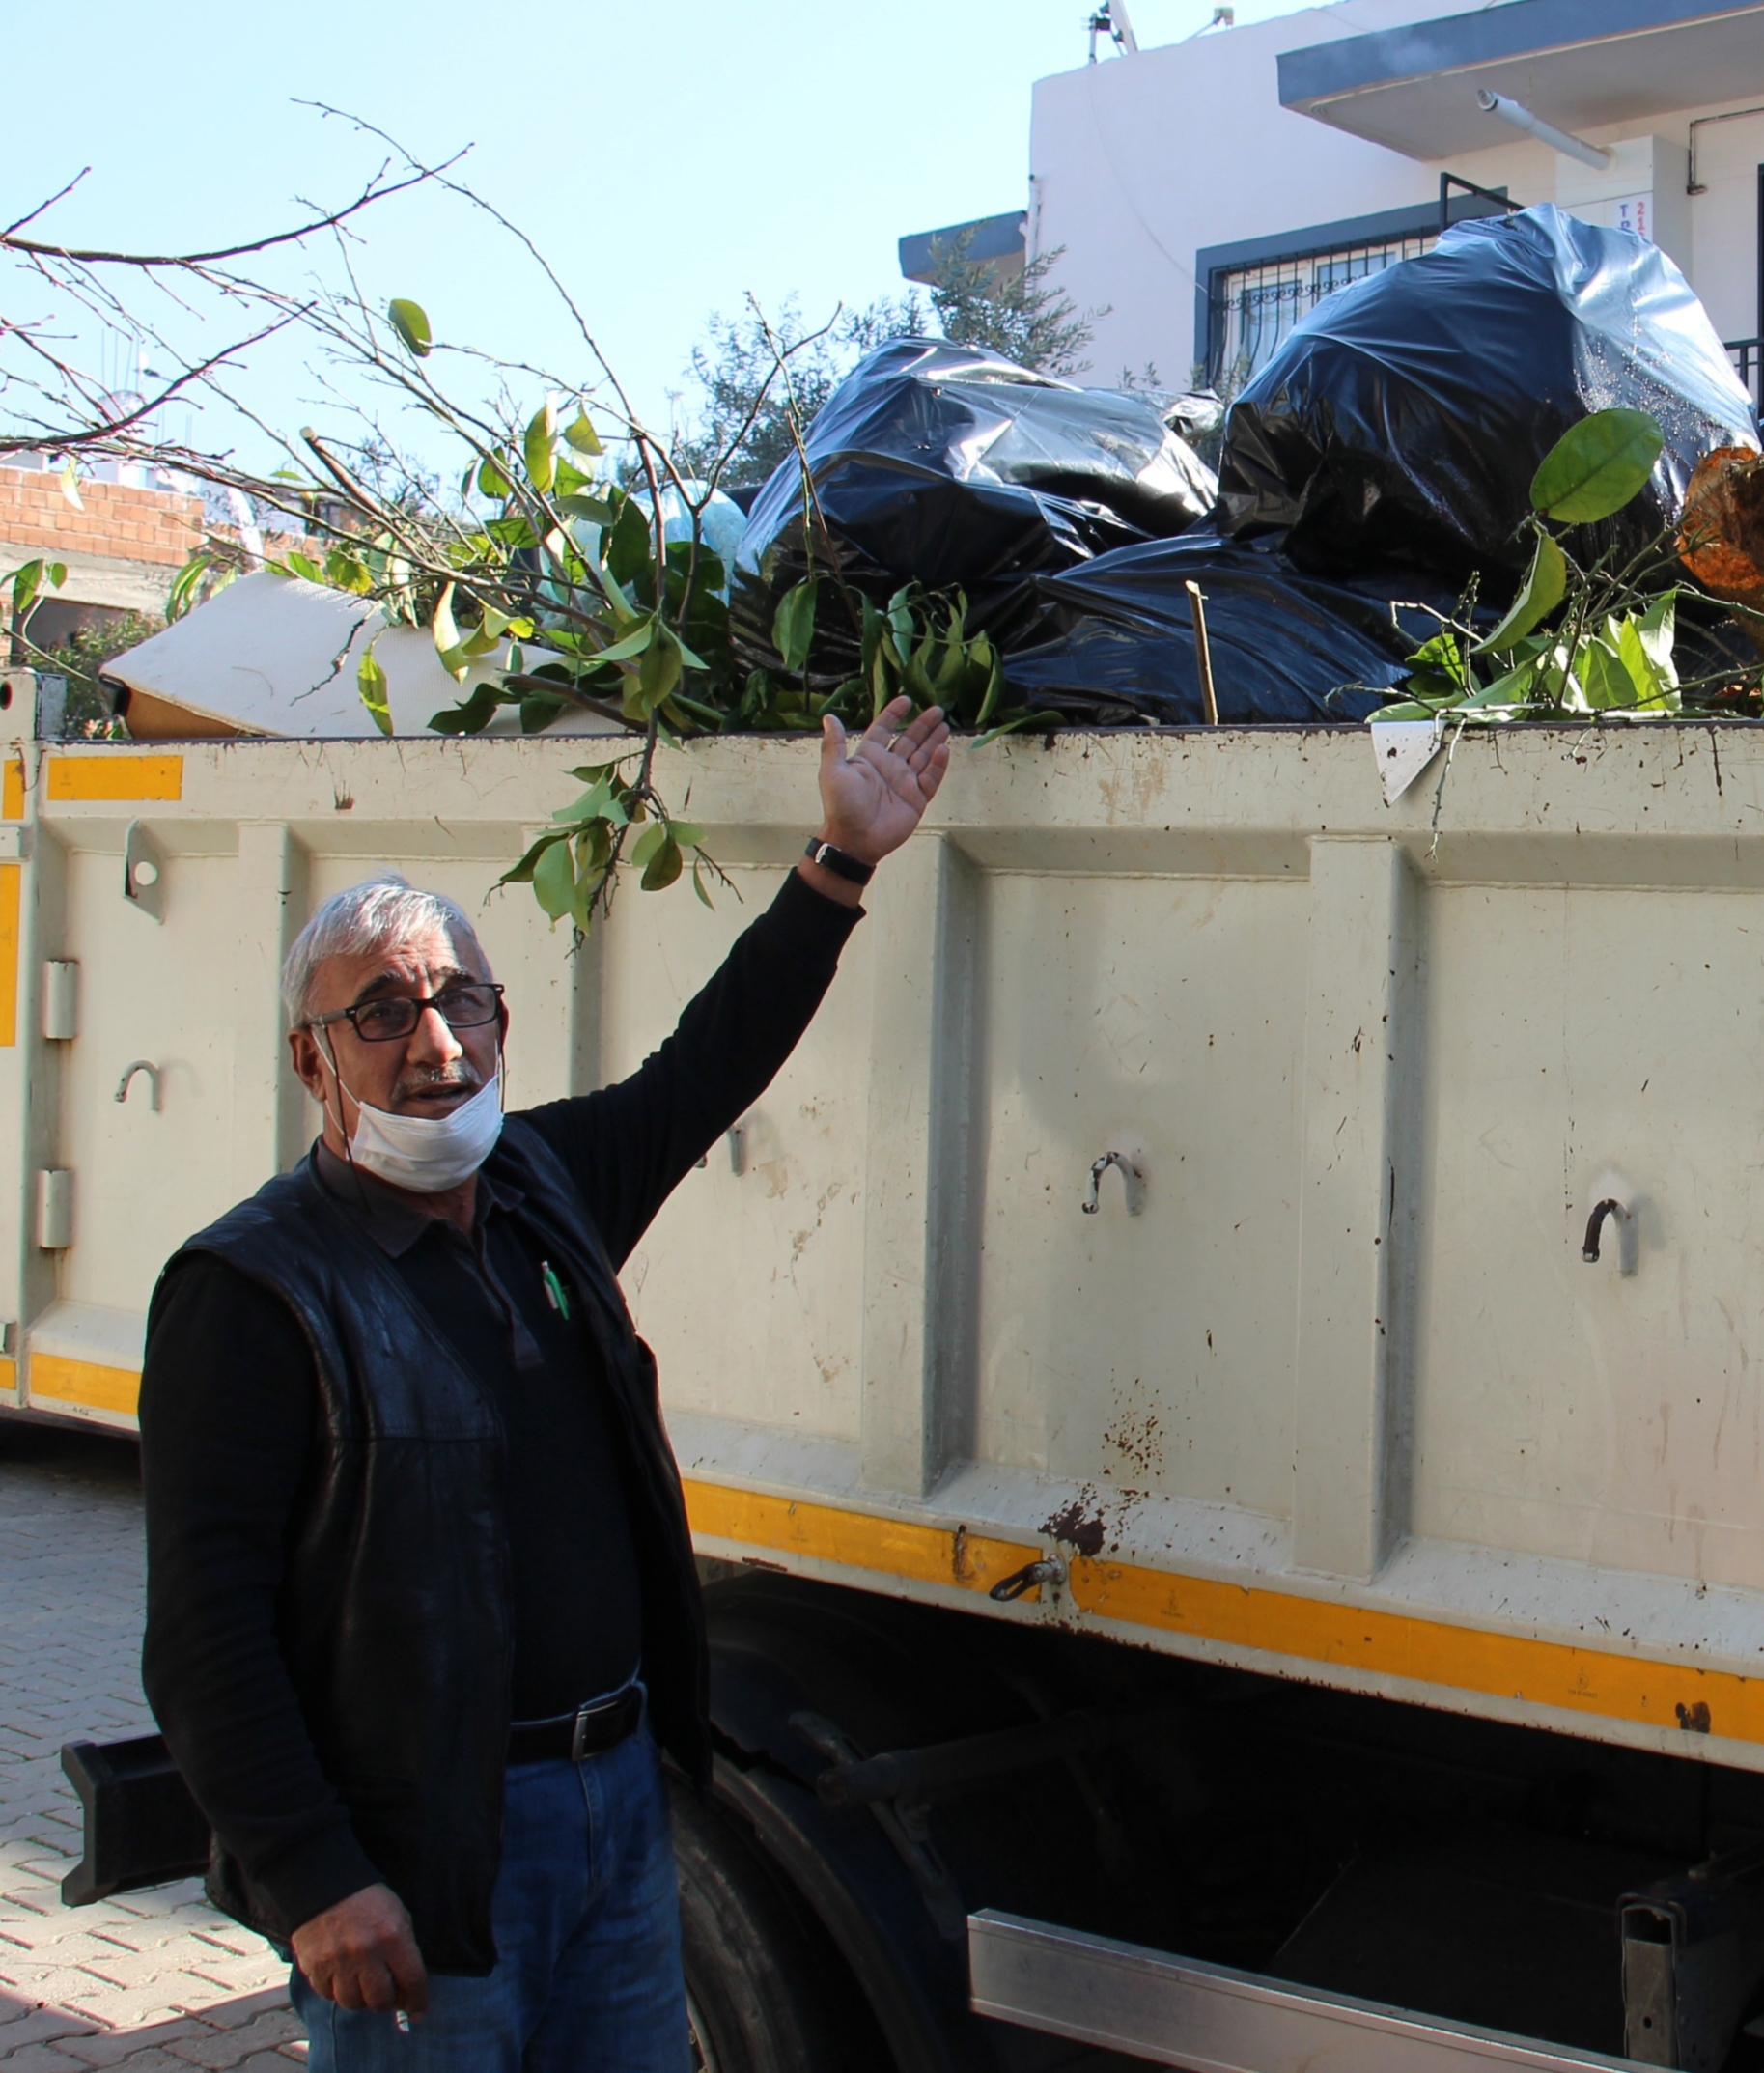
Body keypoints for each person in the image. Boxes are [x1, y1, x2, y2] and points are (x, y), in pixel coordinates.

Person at [137, 697, 951, 2071]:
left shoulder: (541, 1187)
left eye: (460, 998)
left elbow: (708, 1065)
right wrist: (313, 1876)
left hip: (616, 1813)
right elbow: (206, 1633)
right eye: (383, 1010)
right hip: (428, 1849)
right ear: (311, 1058)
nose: (435, 1040)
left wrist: (842, 863)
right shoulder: (255, 1291)